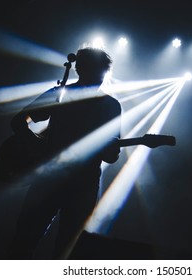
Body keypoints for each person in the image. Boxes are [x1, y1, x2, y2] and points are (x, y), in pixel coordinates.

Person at [7, 47, 122, 259]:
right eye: (95, 71)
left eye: (102, 73)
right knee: (24, 241)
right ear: (79, 69)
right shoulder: (59, 94)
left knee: (69, 249)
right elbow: (18, 121)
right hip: (50, 178)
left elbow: (110, 156)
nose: (99, 78)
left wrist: (112, 148)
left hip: (82, 184)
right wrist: (36, 145)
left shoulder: (110, 106)